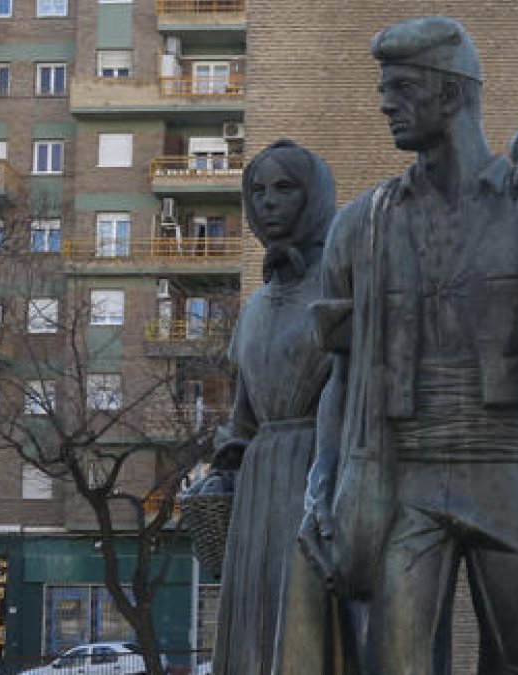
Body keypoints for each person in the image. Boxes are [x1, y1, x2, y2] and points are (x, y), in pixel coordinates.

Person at [299, 16, 518, 674]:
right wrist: (319, 485)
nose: (383, 101)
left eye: (399, 87)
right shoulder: (360, 227)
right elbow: (341, 374)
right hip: (405, 479)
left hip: (514, 471)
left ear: (449, 95)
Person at [202, 140, 345, 675]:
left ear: (314, 196)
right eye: (257, 190)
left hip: (320, 472)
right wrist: (223, 470)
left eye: (285, 188)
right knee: (255, 623)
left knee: (308, 624)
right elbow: (243, 420)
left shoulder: (339, 286)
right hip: (260, 482)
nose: (268, 202)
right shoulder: (256, 306)